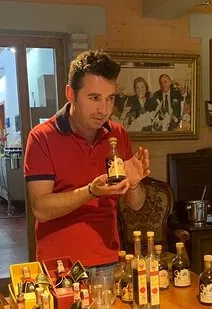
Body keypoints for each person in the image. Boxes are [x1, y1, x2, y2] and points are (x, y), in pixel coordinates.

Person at [24, 50, 150, 278]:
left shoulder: (118, 134)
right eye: (94, 98)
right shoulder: (41, 137)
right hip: (59, 267)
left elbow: (136, 204)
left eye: (110, 98)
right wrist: (91, 191)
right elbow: (40, 209)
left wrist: (134, 184)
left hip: (109, 261)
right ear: (70, 94)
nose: (104, 110)